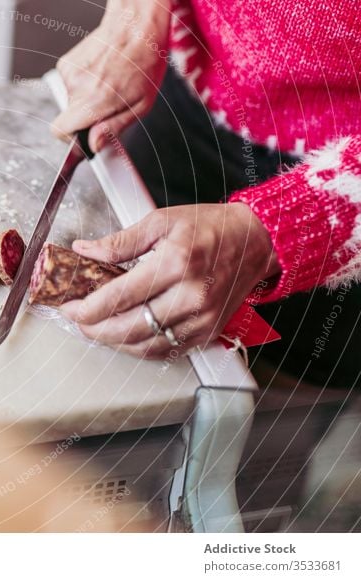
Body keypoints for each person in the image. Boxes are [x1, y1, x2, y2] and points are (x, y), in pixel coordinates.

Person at [53, 0, 361, 388]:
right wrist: (137, 14)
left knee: (252, 397)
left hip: (340, 211)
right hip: (187, 81)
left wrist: (278, 229)